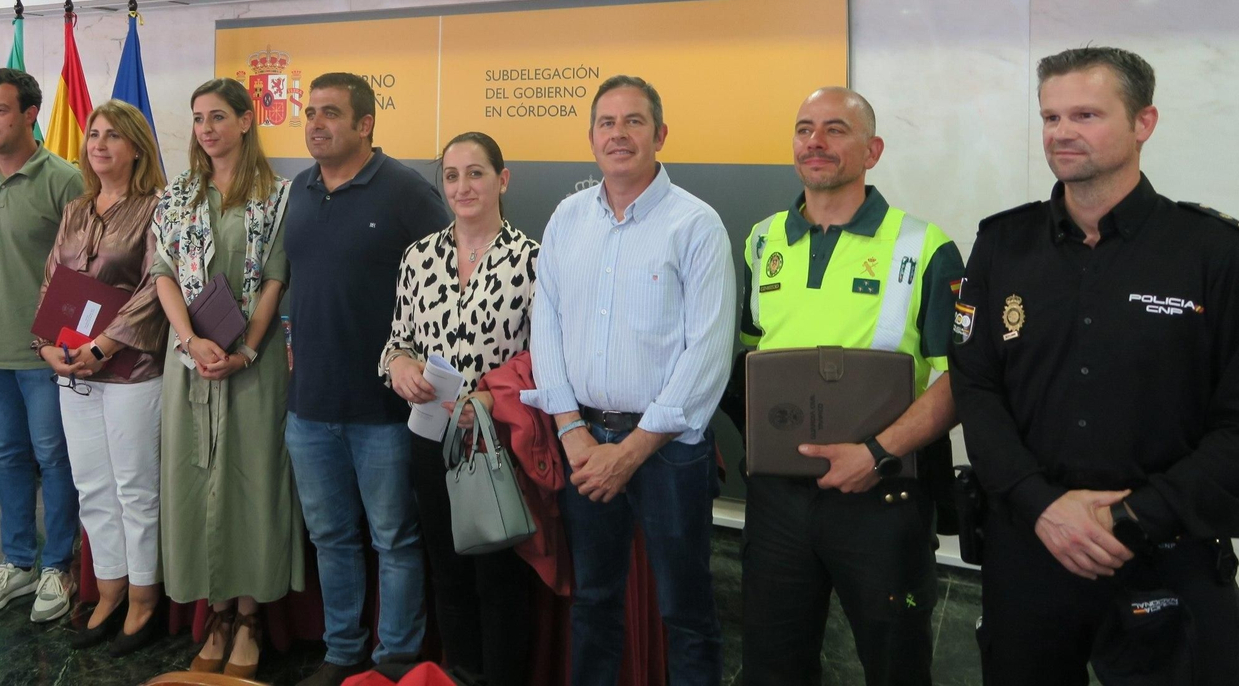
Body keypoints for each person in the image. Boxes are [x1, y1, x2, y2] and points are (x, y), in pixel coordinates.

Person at [950, 47, 1239, 685]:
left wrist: (1129, 519)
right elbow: (976, 385)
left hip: (1167, 555)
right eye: (1051, 117)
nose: (1062, 132)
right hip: (1030, 548)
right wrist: (1041, 504)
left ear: (1144, 123)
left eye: (1086, 114)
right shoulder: (1002, 244)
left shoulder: (1214, 253)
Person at [737, 87, 963, 686]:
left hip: (882, 497)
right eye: (804, 128)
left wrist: (877, 453)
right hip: (779, 500)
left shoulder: (925, 247)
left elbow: (961, 378)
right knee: (772, 666)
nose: (815, 142)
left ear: (873, 150)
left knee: (896, 666)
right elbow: (751, 351)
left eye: (835, 129)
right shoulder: (761, 241)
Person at [522, 75, 736, 686]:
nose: (619, 134)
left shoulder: (695, 224)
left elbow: (708, 353)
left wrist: (634, 449)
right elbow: (546, 327)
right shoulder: (567, 219)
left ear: (660, 134)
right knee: (593, 601)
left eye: (633, 121)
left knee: (685, 611)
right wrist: (571, 431)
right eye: (606, 123)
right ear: (591, 137)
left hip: (669, 452)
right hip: (585, 443)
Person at [283, 72, 452, 685]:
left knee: (394, 539)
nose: (316, 124)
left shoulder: (407, 192)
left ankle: (396, 662)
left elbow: (446, 286)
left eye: (330, 113)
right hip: (309, 406)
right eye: (310, 112)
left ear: (365, 124)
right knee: (331, 537)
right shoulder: (298, 190)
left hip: (384, 409)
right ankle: (342, 652)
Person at [154, 78, 302, 679]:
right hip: (190, 362)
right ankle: (214, 616)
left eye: (218, 116)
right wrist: (191, 341)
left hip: (252, 368)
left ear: (245, 121)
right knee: (194, 484)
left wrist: (245, 351)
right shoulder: (179, 194)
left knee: (251, 484)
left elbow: (275, 278)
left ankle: (248, 619)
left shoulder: (279, 195)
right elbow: (163, 273)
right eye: (198, 118)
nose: (206, 128)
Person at [381, 131, 540, 686]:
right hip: (430, 439)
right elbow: (397, 341)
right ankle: (462, 676)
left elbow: (548, 362)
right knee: (447, 575)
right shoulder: (419, 257)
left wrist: (493, 400)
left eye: (476, 173)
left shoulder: (531, 261)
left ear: (502, 179)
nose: (463, 186)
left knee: (499, 581)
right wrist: (400, 366)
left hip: (496, 446)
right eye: (451, 175)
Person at [33, 100, 169, 656]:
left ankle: (144, 600)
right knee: (92, 485)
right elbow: (52, 281)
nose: (99, 144)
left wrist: (103, 344)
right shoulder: (77, 208)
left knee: (135, 488)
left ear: (136, 146)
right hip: (73, 368)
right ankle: (109, 591)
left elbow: (155, 287)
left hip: (132, 370)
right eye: (93, 134)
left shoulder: (158, 207)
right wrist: (47, 346)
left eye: (113, 135)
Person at [0, 67, 84, 623]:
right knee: (7, 458)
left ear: (30, 115)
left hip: (43, 353)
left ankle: (58, 565)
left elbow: (83, 269)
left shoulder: (64, 179)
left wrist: (61, 340)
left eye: (1, 110)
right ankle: (17, 562)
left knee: (54, 459)